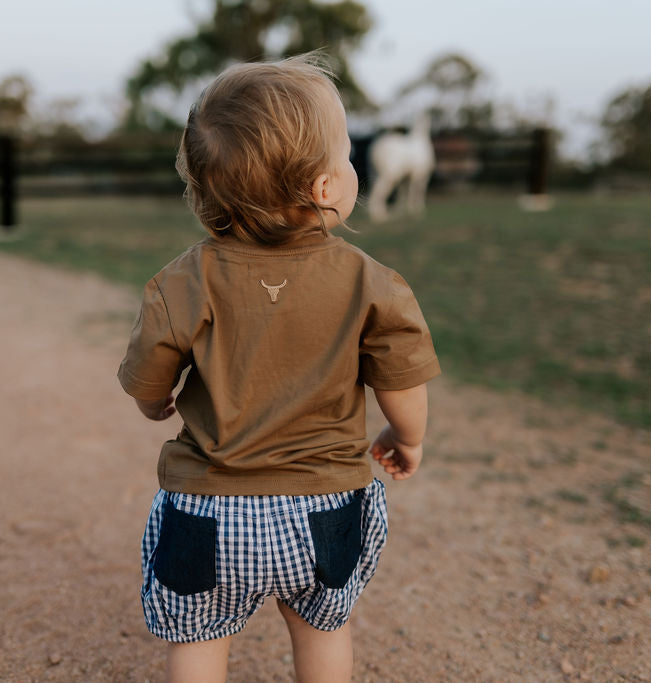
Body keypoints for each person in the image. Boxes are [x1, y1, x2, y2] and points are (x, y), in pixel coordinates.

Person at [117, 53, 441, 683]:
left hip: (210, 511)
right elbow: (402, 384)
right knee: (323, 627)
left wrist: (154, 403)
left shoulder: (182, 281)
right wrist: (408, 439)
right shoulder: (371, 282)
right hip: (326, 506)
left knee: (198, 636)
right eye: (346, 154)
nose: (353, 166)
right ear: (325, 187)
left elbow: (151, 382)